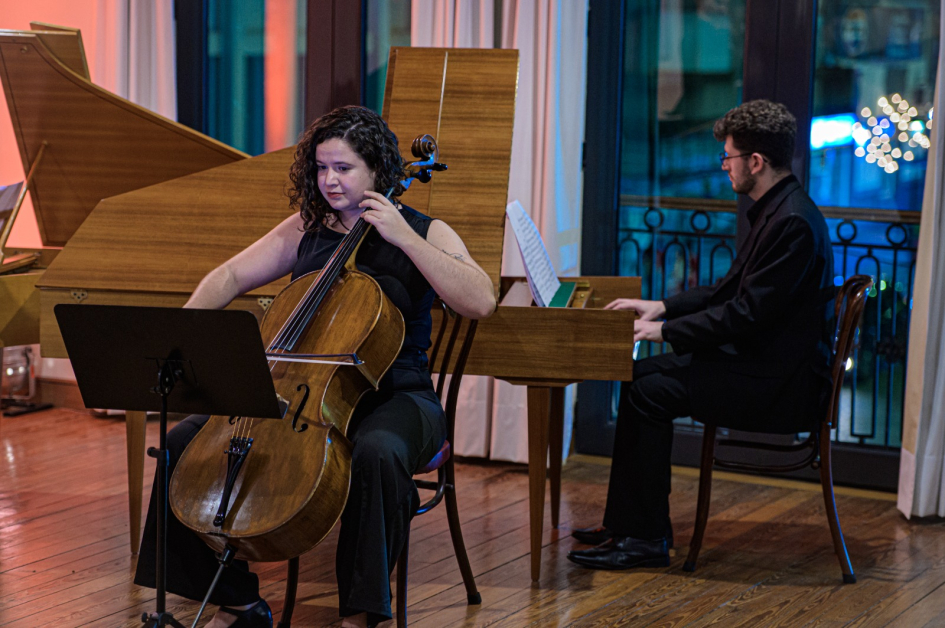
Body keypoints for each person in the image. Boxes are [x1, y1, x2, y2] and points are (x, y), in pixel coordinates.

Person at [133, 105, 496, 627]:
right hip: (301, 393)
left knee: (378, 451)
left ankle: (361, 613)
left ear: (377, 170)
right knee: (179, 444)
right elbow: (230, 274)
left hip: (396, 396)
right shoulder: (308, 226)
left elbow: (480, 301)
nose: (329, 180)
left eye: (343, 169)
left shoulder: (424, 230)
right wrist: (182, 335)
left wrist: (405, 239)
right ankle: (236, 598)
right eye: (321, 168)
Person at [567, 100, 835, 570]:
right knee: (640, 381)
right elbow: (729, 291)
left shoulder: (790, 222)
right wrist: (662, 306)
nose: (724, 168)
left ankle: (645, 538)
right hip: (763, 367)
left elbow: (744, 315)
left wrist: (663, 332)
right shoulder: (778, 210)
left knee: (647, 389)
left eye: (727, 158)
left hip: (777, 385)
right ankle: (630, 524)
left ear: (756, 162)